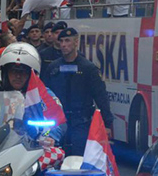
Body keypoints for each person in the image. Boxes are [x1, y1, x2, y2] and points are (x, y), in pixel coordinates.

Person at [43, 27, 113, 156]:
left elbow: (101, 96)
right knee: (53, 156)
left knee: (78, 158)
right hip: (58, 121)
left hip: (80, 122)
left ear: (76, 42)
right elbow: (44, 93)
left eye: (67, 41)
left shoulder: (88, 68)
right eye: (61, 41)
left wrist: (107, 123)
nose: (63, 45)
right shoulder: (53, 67)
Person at [0, 42, 65, 143]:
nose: (18, 76)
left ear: (32, 74)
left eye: (23, 72)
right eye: (13, 71)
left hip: (30, 147)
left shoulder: (43, 94)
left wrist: (49, 136)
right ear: (5, 73)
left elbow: (59, 122)